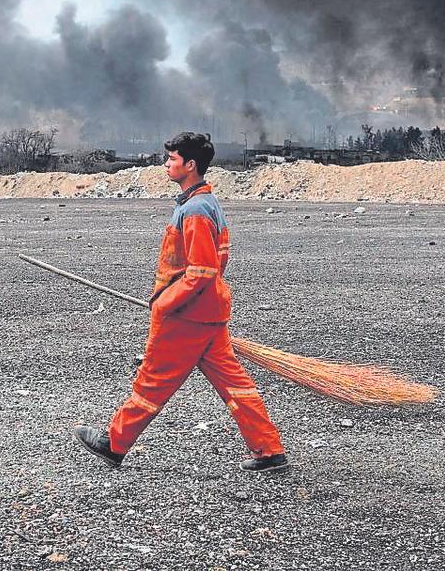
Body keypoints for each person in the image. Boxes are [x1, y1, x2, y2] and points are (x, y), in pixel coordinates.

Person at [72, 131, 289, 472]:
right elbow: (219, 263)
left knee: (152, 382)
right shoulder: (207, 203)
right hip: (208, 315)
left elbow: (201, 272)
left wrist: (164, 302)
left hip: (185, 317)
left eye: (171, 159)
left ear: (190, 165)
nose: (166, 165)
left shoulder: (196, 210)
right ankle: (270, 450)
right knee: (236, 386)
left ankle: (114, 444)